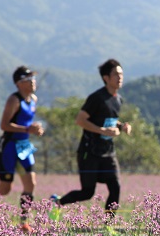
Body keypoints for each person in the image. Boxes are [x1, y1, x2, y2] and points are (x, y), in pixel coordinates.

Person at [53, 59, 131, 215]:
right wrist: (102, 131)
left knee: (115, 187)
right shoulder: (96, 98)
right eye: (116, 74)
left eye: (121, 74)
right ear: (106, 78)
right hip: (89, 153)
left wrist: (122, 126)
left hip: (108, 152)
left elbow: (111, 121)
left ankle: (108, 225)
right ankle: (56, 203)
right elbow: (80, 120)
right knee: (87, 193)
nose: (120, 77)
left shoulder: (118, 99)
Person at [0, 66, 44, 232]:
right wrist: (27, 129)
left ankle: (24, 222)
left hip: (24, 147)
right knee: (4, 189)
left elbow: (28, 123)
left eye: (33, 79)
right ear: (19, 83)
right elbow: (4, 125)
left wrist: (36, 129)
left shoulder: (34, 99)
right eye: (28, 79)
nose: (33, 82)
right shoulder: (14, 100)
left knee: (30, 184)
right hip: (9, 147)